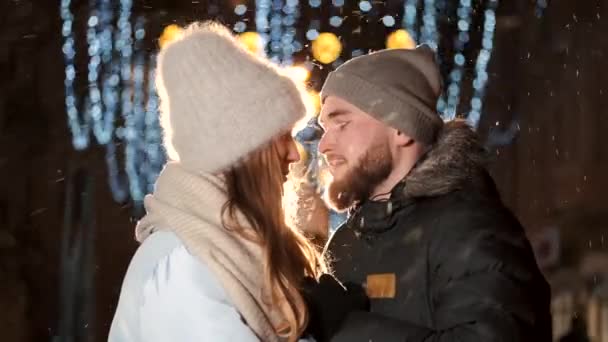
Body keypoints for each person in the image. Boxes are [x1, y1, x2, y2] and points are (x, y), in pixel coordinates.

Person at [302, 45, 553, 341]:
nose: (323, 146)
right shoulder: (345, 242)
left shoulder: (470, 229)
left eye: (342, 124)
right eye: (324, 128)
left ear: (400, 128)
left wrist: (349, 328)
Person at [109, 22, 326, 342]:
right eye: (283, 137)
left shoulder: (223, 250)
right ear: (246, 151)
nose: (294, 155)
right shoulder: (183, 262)